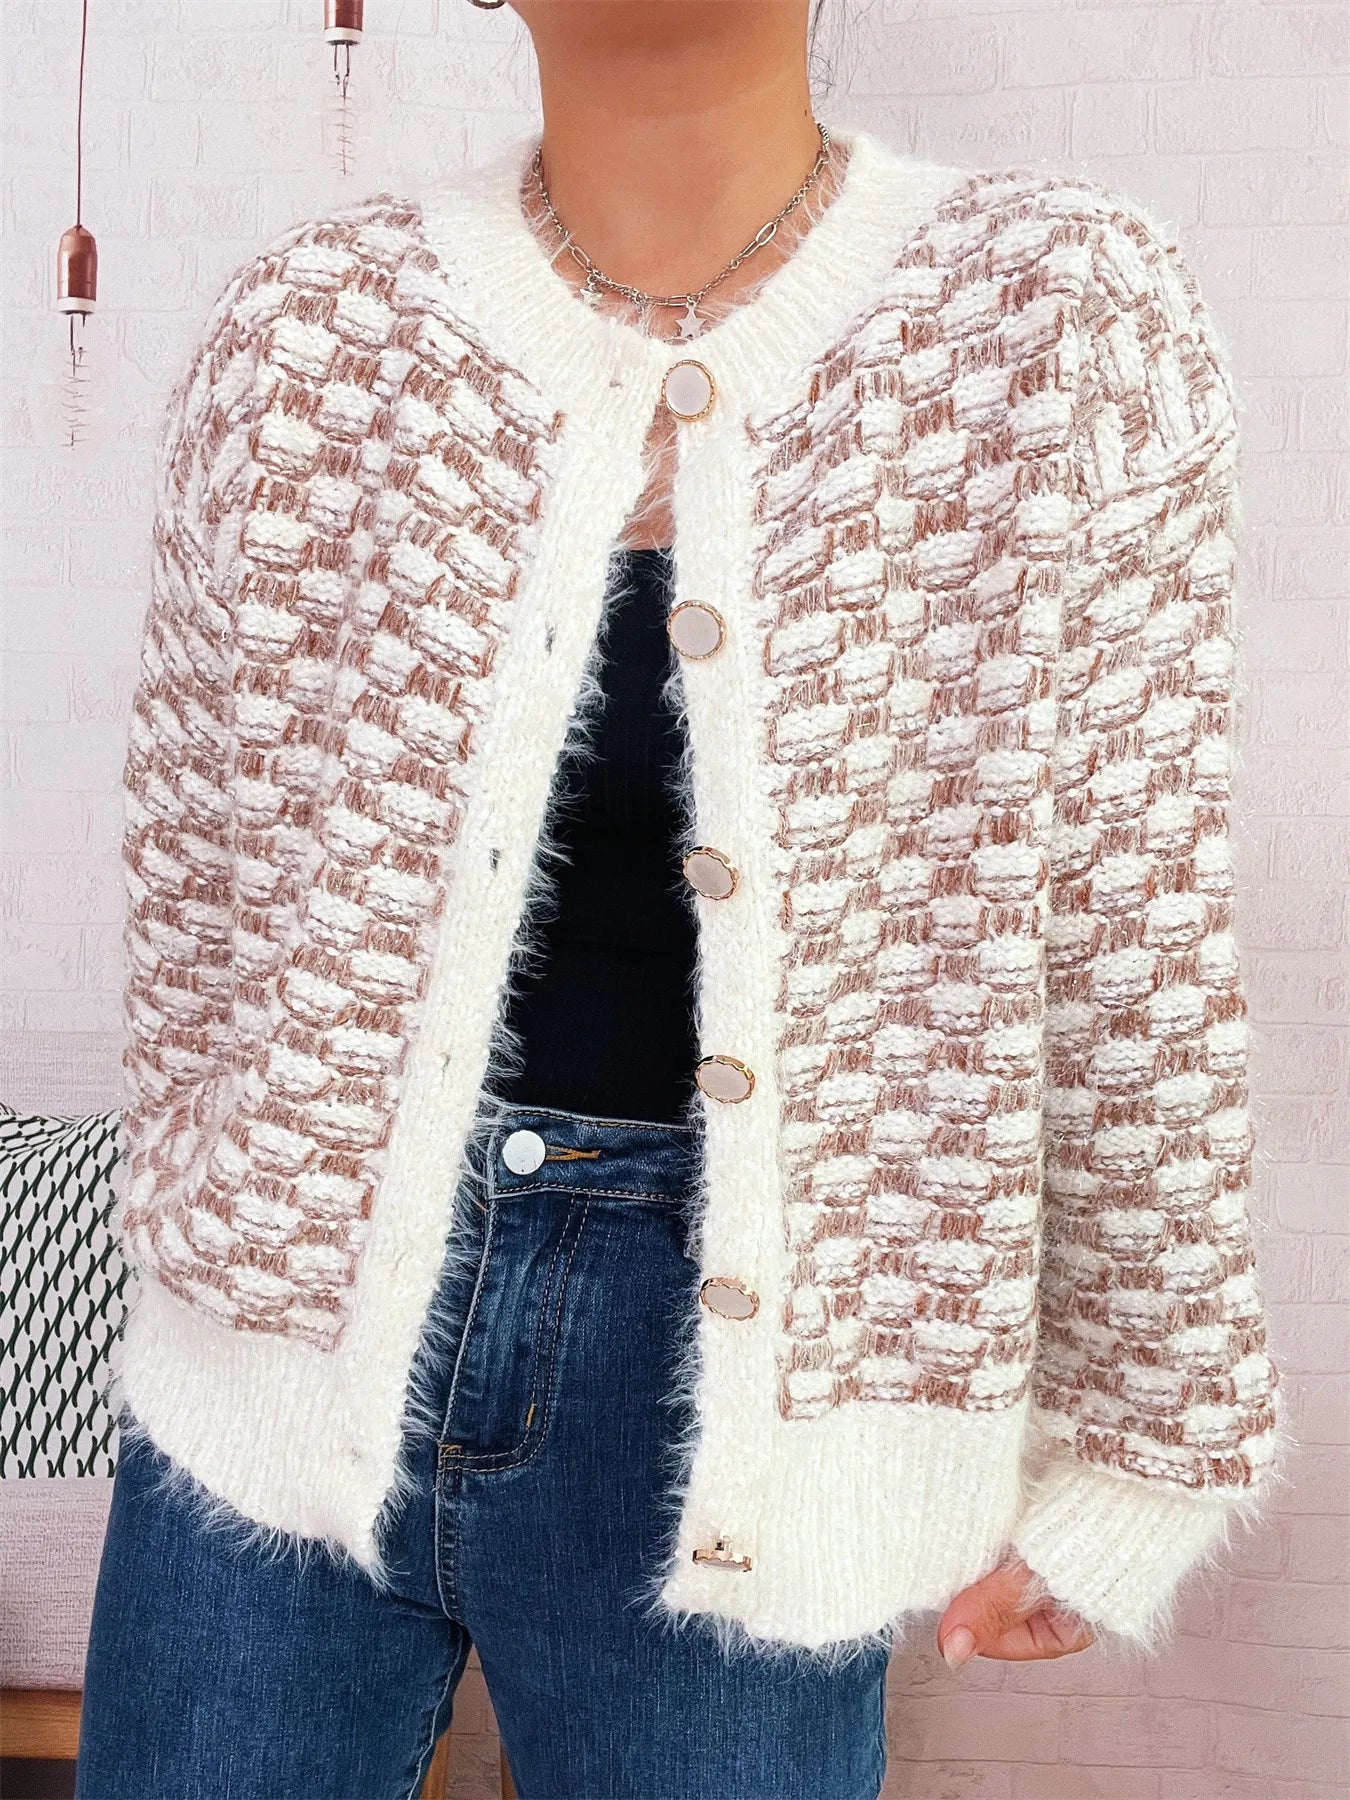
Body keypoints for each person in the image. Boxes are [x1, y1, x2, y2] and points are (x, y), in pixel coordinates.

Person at [76, 3, 1285, 1796]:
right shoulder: (310, 335)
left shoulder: (1051, 319)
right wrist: (218, 1270)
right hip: (270, 1387)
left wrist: (1136, 1441)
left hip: (737, 1407)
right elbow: (198, 905)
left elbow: (1132, 923)